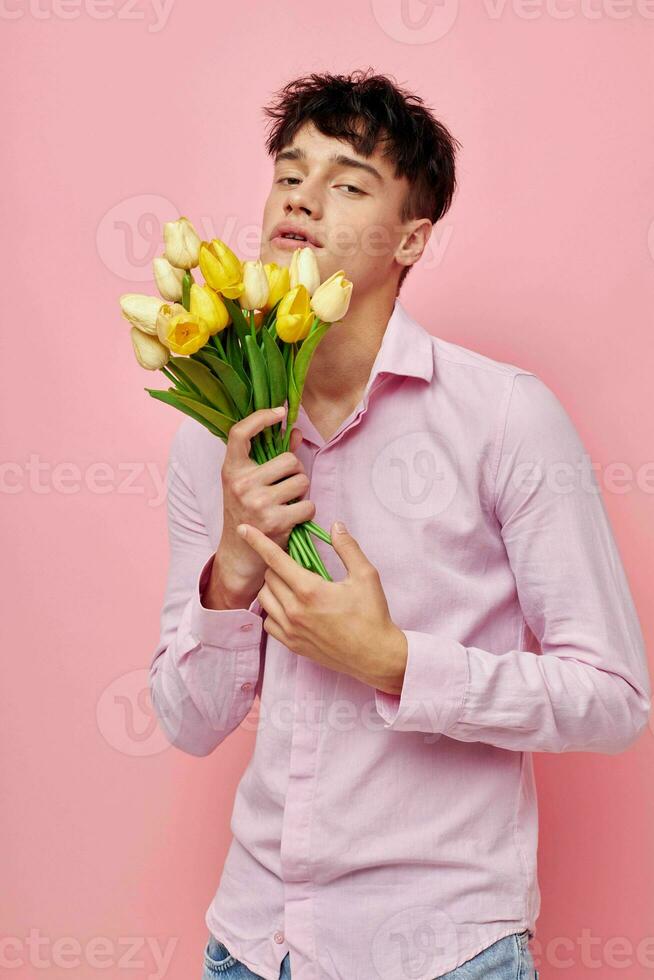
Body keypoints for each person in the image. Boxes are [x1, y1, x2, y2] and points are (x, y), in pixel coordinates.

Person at [148, 69, 651, 980]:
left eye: (347, 183)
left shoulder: (504, 418)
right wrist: (230, 570)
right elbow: (187, 722)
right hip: (255, 945)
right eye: (290, 172)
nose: (302, 196)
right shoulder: (219, 437)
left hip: (445, 952)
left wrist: (393, 661)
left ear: (411, 238)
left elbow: (616, 699)